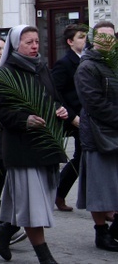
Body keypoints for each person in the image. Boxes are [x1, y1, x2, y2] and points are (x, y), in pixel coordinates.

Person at [0, 25, 70, 264]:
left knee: (32, 201)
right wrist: (24, 120)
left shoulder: (42, 68)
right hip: (22, 149)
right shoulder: (6, 73)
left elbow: (53, 98)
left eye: (36, 41)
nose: (34, 46)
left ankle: (6, 230)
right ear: (16, 45)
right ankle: (45, 257)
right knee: (33, 205)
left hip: (46, 146)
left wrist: (59, 109)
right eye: (28, 42)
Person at [75, 21, 118, 251]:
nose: (108, 41)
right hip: (98, 134)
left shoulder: (114, 64)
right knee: (99, 187)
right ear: (94, 40)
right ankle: (101, 233)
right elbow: (95, 103)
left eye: (111, 37)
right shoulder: (87, 67)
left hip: (115, 131)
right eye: (103, 37)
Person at [51, 24, 87, 212]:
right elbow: (56, 94)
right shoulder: (64, 64)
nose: (85, 39)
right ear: (70, 42)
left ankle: (60, 192)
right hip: (74, 118)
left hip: (88, 116)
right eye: (81, 37)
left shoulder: (87, 60)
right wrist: (72, 116)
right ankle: (59, 192)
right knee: (81, 157)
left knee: (84, 158)